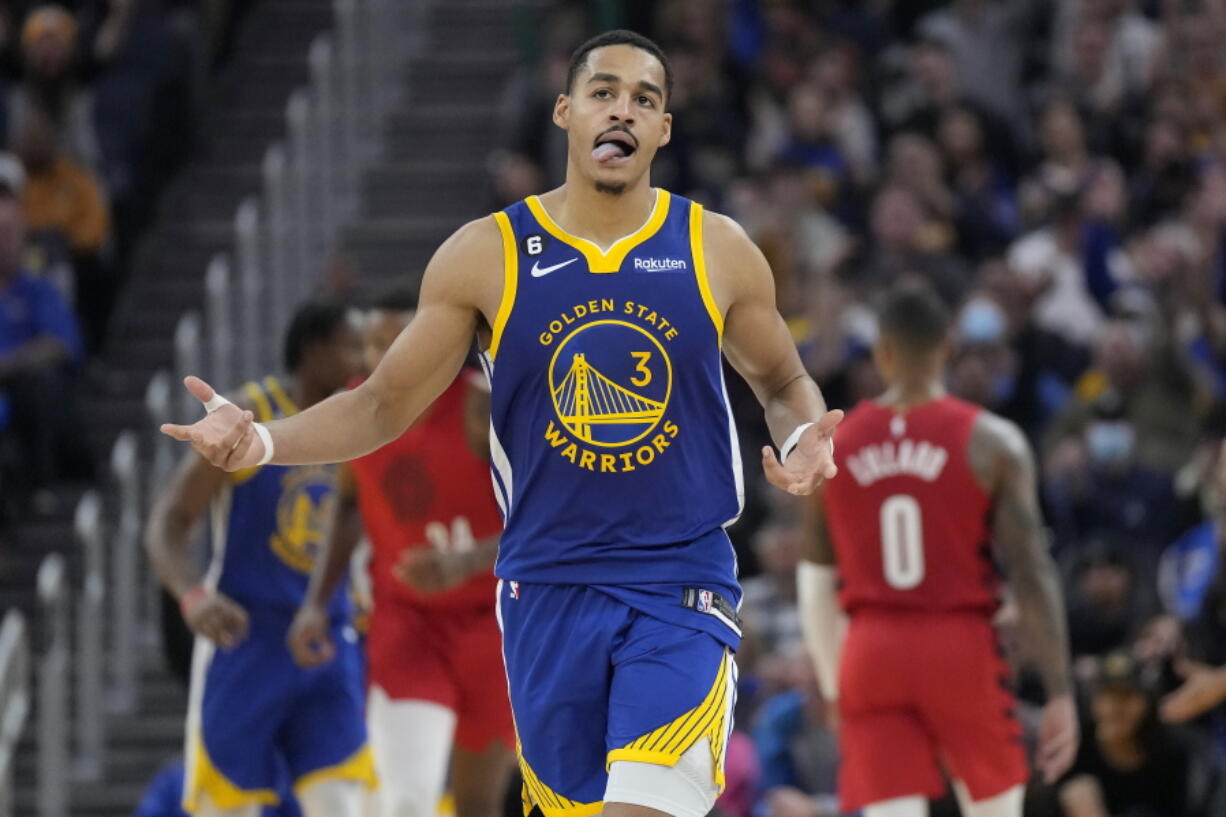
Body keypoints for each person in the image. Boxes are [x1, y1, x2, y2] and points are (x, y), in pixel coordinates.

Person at [161, 29, 842, 817]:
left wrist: (801, 433)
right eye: (604, 92)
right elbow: (382, 402)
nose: (623, 110)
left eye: (645, 100)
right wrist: (263, 442)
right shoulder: (486, 255)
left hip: (677, 584)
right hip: (544, 592)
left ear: (663, 129)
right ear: (565, 112)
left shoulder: (716, 247)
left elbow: (783, 377)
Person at [798, 285, 1078, 817]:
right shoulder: (994, 442)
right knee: (995, 809)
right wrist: (1060, 690)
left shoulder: (832, 447)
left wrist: (837, 684)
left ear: (881, 352)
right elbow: (1032, 573)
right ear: (948, 349)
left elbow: (814, 583)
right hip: (959, 644)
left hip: (871, 648)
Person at [287, 288, 516, 817]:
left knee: (477, 804)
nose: (383, 358)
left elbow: (546, 519)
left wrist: (466, 562)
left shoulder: (482, 407)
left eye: (399, 342)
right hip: (406, 623)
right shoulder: (354, 405)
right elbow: (346, 505)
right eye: (372, 344)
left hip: (492, 624)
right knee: (405, 800)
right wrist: (316, 602)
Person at [145, 300, 373, 817]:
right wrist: (193, 596)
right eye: (351, 346)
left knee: (344, 804)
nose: (363, 360)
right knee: (226, 806)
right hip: (247, 638)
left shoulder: (362, 423)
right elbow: (167, 522)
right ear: (313, 351)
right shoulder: (247, 416)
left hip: (328, 638)